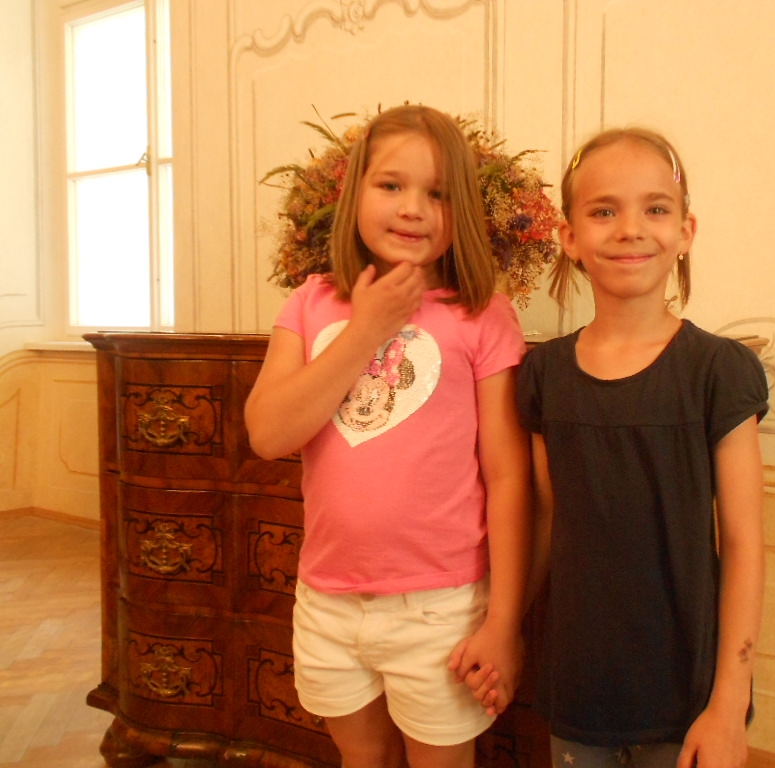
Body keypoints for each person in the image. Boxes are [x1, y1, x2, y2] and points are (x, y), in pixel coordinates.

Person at [244, 104, 531, 768]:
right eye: (391, 184)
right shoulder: (311, 303)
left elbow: (509, 477)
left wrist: (504, 623)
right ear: (355, 194)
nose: (412, 209)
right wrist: (368, 328)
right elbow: (268, 433)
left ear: (462, 210)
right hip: (327, 600)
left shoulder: (483, 316)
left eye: (438, 194)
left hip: (440, 607)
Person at [514, 128, 769, 768]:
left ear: (685, 230)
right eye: (604, 211)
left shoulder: (718, 371)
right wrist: (504, 627)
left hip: (690, 694)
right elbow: (546, 518)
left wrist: (729, 702)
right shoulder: (544, 374)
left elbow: (743, 542)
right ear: (570, 237)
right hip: (578, 685)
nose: (630, 229)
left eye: (655, 208)